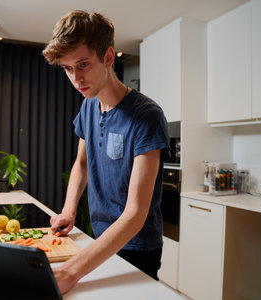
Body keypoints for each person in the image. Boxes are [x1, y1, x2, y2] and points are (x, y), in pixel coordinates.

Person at [42, 10, 170, 294]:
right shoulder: (88, 105)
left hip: (137, 245)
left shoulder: (146, 116)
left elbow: (136, 214)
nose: (76, 79)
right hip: (98, 237)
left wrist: (71, 271)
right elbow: (82, 163)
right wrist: (68, 210)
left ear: (109, 58)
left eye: (83, 64)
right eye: (67, 69)